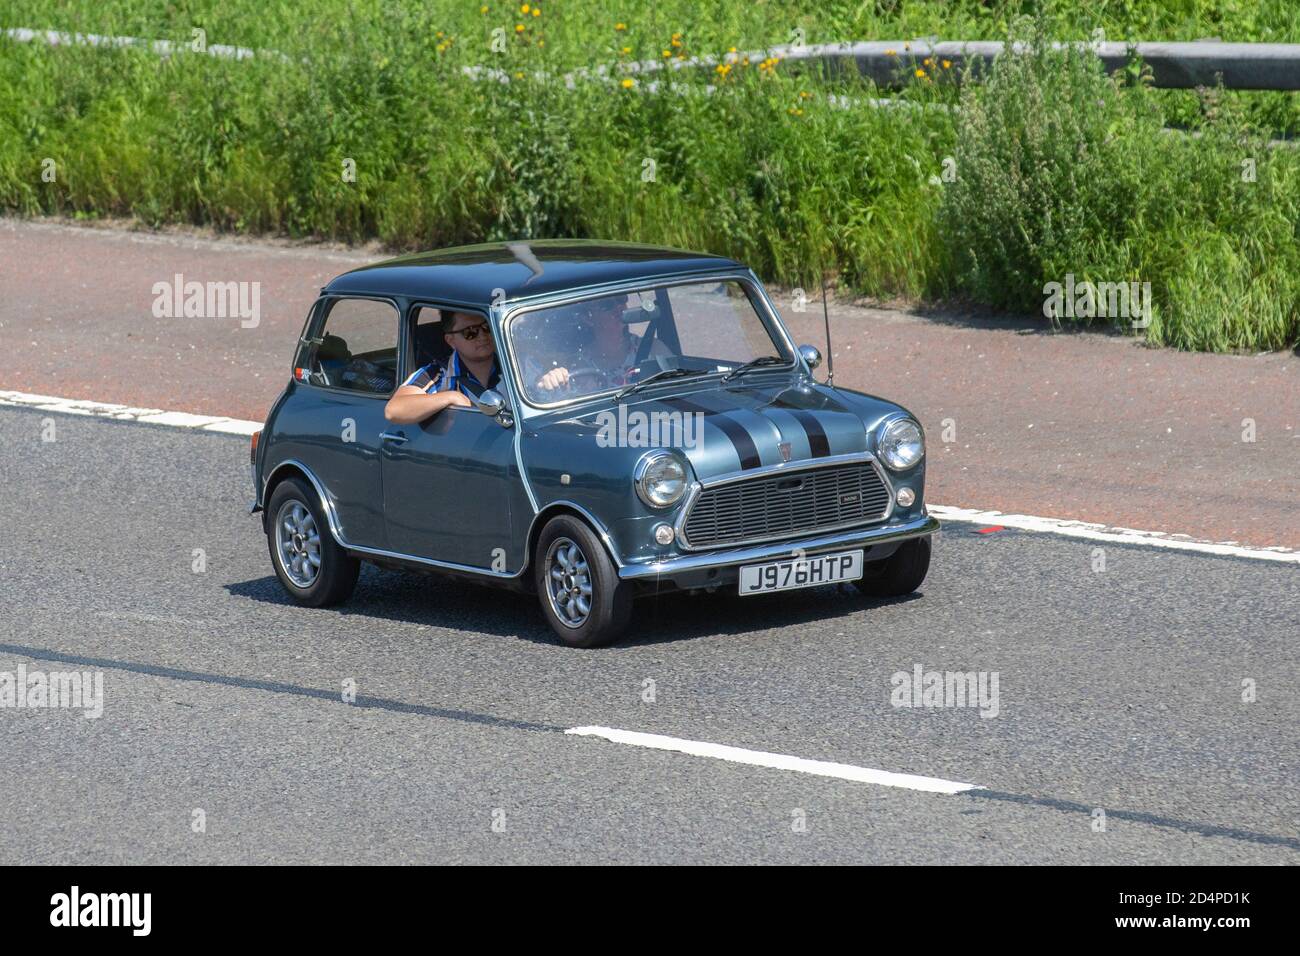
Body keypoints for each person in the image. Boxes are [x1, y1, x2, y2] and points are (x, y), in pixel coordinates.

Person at [533, 294, 668, 394]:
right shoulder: (576, 364)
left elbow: (680, 386)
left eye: (621, 299)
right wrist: (550, 381)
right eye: (607, 305)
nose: (618, 308)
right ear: (588, 319)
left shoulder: (654, 350)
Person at [384, 310, 502, 424]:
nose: (482, 336)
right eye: (470, 332)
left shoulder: (515, 366)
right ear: (451, 340)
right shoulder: (436, 374)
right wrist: (452, 397)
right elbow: (394, 410)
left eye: (486, 327)